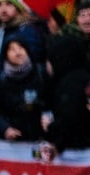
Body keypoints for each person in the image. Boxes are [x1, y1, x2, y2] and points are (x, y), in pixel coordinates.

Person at [37, 32, 90, 160]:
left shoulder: (70, 84)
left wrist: (51, 126)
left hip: (79, 151)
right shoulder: (83, 78)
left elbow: (71, 120)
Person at [0, 32, 48, 140]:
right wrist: (6, 128)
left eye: (21, 47)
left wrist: (48, 118)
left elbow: (50, 100)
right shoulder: (0, 79)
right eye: (12, 49)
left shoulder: (40, 73)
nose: (18, 53)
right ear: (6, 54)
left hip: (39, 136)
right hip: (13, 138)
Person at [0, 0, 48, 76]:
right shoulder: (0, 30)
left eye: (9, 4)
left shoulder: (28, 31)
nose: (3, 10)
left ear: (18, 7)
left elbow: (29, 67)